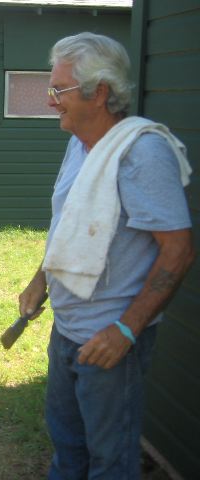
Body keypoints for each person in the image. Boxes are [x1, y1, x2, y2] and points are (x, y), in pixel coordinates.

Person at [18, 32, 195, 479]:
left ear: (98, 93)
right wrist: (41, 279)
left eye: (59, 89)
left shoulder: (142, 152)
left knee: (110, 463)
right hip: (67, 330)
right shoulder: (79, 145)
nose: (51, 100)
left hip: (110, 343)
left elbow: (178, 251)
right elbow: (69, 225)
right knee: (68, 451)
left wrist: (125, 330)